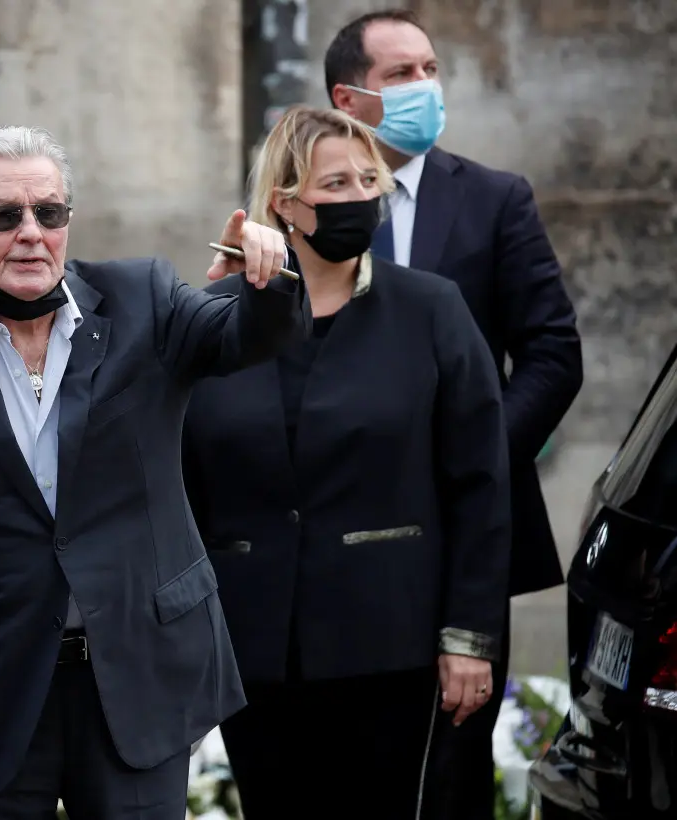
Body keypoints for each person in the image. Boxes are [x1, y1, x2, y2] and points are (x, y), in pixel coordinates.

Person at [0, 124, 303, 819]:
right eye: (4, 216)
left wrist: (271, 276)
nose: (31, 232)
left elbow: (247, 336)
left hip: (138, 676)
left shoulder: (143, 299)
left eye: (49, 213)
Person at [181, 105, 509, 818]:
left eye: (371, 179)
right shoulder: (214, 318)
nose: (362, 196)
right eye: (337, 183)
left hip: (391, 642)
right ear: (285, 204)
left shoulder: (431, 309)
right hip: (254, 649)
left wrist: (470, 638)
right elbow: (180, 488)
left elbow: (481, 485)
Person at [323, 11, 583, 816]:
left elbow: (552, 355)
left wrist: (470, 461)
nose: (424, 87)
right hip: (337, 542)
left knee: (450, 776)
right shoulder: (296, 211)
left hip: (466, 537)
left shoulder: (495, 199)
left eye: (430, 67)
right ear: (349, 98)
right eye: (401, 74)